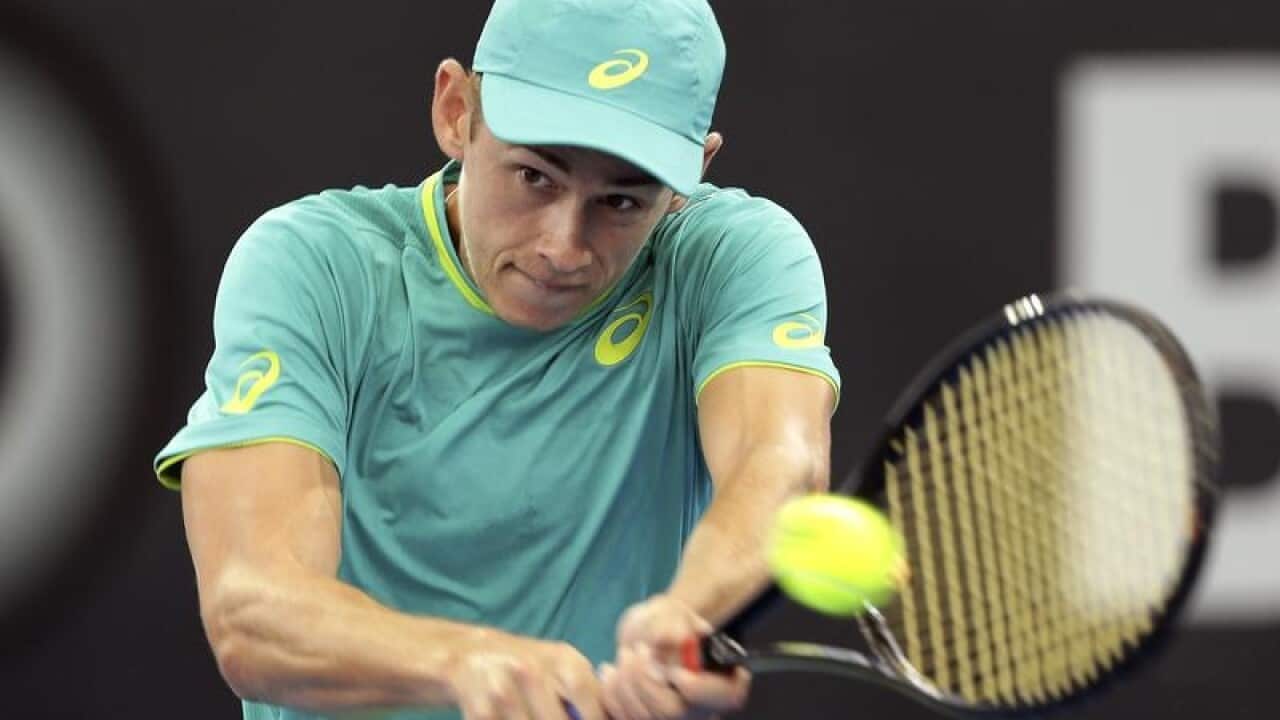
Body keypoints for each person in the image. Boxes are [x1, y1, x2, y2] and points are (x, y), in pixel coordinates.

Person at [155, 0, 839, 718]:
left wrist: (684, 615)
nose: (563, 248)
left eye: (621, 202)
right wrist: (460, 661)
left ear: (690, 174)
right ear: (457, 111)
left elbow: (778, 464)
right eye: (535, 177)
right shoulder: (314, 265)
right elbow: (253, 613)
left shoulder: (733, 258)